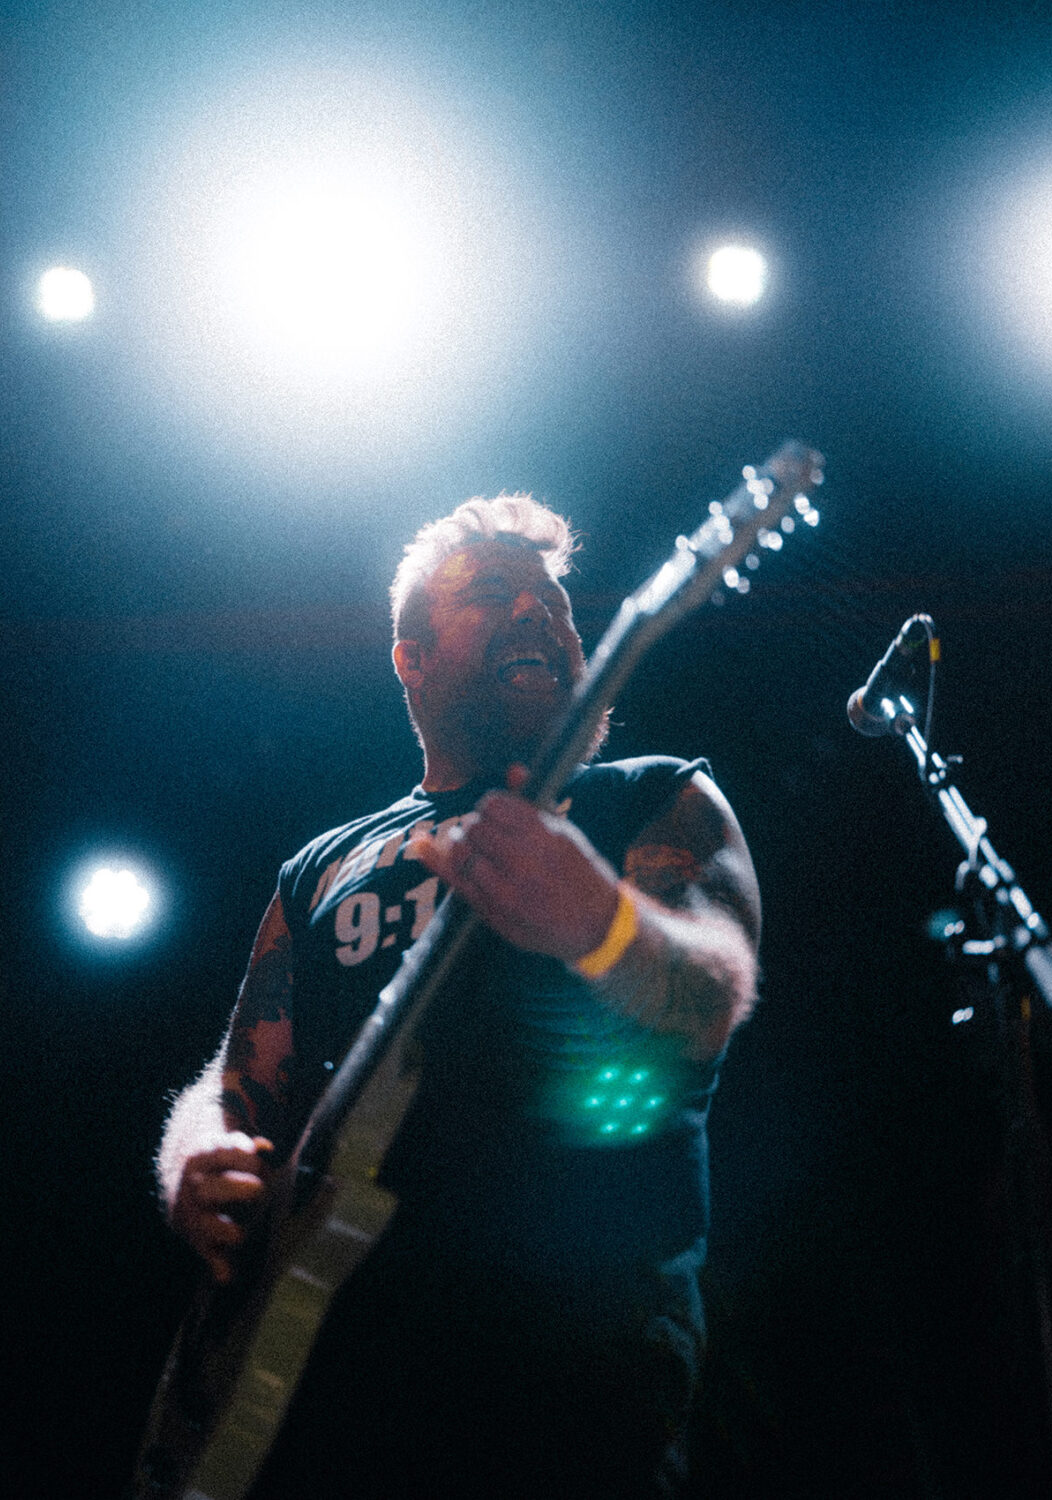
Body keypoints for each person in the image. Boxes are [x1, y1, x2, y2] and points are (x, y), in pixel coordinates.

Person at [156, 494, 761, 1498]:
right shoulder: (325, 864)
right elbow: (234, 1079)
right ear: (412, 657)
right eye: (494, 592)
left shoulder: (649, 797)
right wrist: (190, 1157)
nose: (539, 612)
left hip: (566, 1372)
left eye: (557, 602)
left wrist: (601, 923)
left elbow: (714, 994)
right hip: (315, 1381)